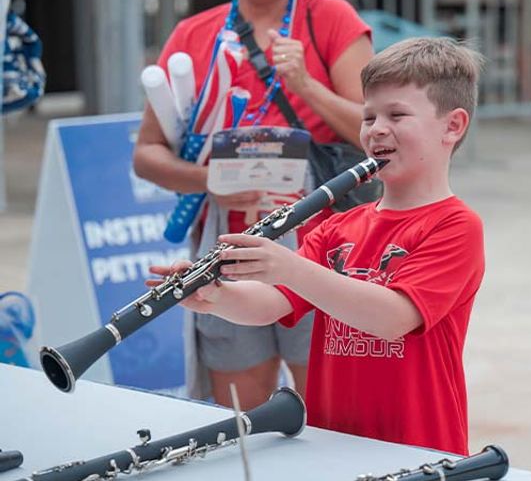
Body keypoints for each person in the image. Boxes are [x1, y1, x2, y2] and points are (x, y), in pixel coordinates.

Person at [150, 37, 485, 455]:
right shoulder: (339, 226)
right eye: (369, 117)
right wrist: (215, 295)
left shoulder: (455, 225)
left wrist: (289, 267)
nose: (377, 129)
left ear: (452, 126)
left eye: (397, 115)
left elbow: (395, 317)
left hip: (418, 448)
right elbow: (273, 302)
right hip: (333, 444)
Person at [134, 0, 373, 410]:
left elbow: (376, 132)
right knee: (242, 423)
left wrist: (305, 85)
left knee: (327, 415)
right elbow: (147, 154)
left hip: (323, 249)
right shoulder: (194, 34)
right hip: (228, 248)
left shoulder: (331, 19)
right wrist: (208, 179)